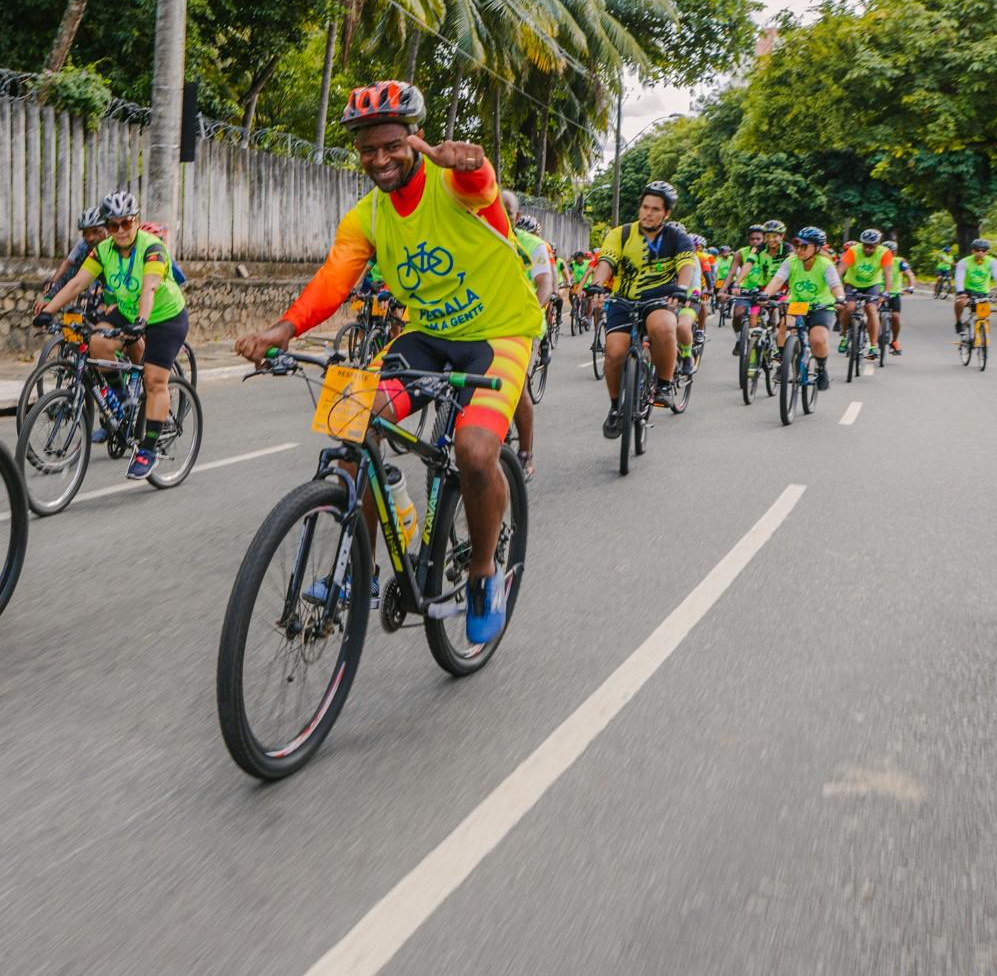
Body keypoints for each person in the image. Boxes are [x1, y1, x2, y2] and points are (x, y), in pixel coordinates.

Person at [234, 79, 540, 647]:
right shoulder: (367, 217)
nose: (379, 159)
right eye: (367, 149)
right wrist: (280, 331)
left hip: (499, 332)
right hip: (426, 335)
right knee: (350, 424)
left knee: (475, 453)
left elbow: (481, 183)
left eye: (391, 145)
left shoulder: (455, 183)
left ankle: (481, 575)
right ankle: (362, 573)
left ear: (414, 139)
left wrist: (472, 162)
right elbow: (333, 279)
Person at [37, 189, 190, 481]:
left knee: (154, 380)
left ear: (136, 221)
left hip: (165, 316)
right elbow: (77, 282)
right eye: (113, 225)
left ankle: (148, 449)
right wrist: (49, 309)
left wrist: (142, 320)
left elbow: (150, 288)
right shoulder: (102, 251)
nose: (120, 231)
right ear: (106, 227)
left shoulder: (152, 248)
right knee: (97, 341)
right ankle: (123, 401)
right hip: (128, 310)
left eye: (126, 223)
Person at [591, 180, 697, 432]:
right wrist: (597, 284)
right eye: (645, 207)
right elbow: (606, 260)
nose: (648, 213)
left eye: (655, 209)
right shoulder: (621, 233)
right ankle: (616, 407)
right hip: (623, 300)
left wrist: (682, 289)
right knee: (614, 353)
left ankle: (663, 384)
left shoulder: (677, 237)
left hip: (660, 300)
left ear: (666, 213)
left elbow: (686, 266)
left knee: (662, 327)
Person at [505, 196, 553, 480]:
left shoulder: (533, 245)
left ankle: (525, 452)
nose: (499, 215)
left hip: (522, 326)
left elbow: (545, 283)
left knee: (516, 383)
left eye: (506, 211)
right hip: (482, 325)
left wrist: (532, 309)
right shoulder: (476, 237)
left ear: (517, 215)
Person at [766, 226, 846, 393]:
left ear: (816, 248)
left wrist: (840, 298)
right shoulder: (791, 261)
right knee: (783, 327)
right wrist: (765, 295)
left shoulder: (825, 264)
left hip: (821, 305)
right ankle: (783, 362)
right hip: (798, 304)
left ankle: (822, 368)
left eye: (804, 246)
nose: (799, 250)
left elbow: (835, 285)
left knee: (817, 339)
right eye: (798, 245)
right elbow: (777, 280)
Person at [38, 206, 110, 312]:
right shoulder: (87, 249)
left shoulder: (117, 251)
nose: (90, 238)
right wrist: (49, 297)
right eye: (86, 233)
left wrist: (100, 292)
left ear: (107, 230)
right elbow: (69, 270)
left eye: (95, 231)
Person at [838, 229, 893, 359]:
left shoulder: (884, 253)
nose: (867, 249)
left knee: (871, 309)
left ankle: (873, 347)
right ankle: (845, 336)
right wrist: (837, 289)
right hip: (852, 283)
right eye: (865, 246)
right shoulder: (853, 251)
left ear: (877, 244)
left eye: (871, 246)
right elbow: (840, 270)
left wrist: (886, 292)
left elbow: (888, 274)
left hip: (872, 284)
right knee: (849, 307)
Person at [952, 237, 997, 333]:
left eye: (983, 250)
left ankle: (981, 339)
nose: (980, 253)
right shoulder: (964, 262)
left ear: (987, 252)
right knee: (959, 302)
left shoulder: (992, 262)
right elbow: (959, 278)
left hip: (983, 292)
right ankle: (958, 321)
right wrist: (961, 293)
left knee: (983, 316)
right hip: (967, 291)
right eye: (977, 250)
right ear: (973, 251)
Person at [729, 225, 769, 354]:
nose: (755, 242)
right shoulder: (741, 253)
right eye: (752, 239)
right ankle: (740, 340)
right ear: (748, 240)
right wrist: (728, 288)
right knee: (738, 314)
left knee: (771, 319)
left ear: (764, 239)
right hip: (745, 289)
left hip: (765, 290)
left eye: (759, 239)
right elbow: (732, 272)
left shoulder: (769, 253)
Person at [882, 239, 914, 354]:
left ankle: (895, 341)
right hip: (879, 293)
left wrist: (911, 287)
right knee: (871, 315)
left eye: (892, 252)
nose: (889, 254)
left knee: (895, 317)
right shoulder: (877, 261)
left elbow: (909, 274)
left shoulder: (900, 262)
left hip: (894, 293)